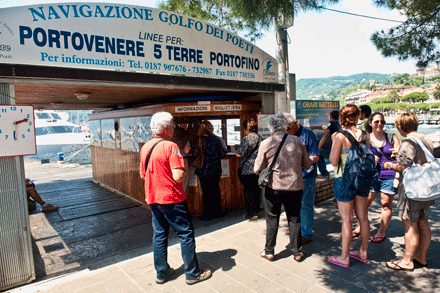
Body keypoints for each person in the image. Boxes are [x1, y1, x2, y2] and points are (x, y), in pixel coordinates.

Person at [139, 112, 211, 285]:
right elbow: (178, 176)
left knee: (159, 235)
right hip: (172, 198)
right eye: (171, 126)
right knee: (185, 234)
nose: (172, 129)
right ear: (165, 129)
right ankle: (192, 274)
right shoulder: (171, 147)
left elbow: (143, 175)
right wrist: (183, 167)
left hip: (153, 198)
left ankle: (162, 273)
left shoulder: (145, 147)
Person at [255, 113, 312, 262]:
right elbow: (307, 164)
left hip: (274, 186)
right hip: (295, 186)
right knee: (294, 218)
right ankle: (297, 252)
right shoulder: (297, 141)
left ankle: (269, 251)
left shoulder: (267, 142)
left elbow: (257, 168)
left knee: (272, 218)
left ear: (271, 127)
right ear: (285, 125)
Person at [385, 112, 434, 271]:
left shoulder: (408, 142)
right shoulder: (425, 139)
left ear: (400, 126)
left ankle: (407, 260)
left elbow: (403, 167)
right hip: (427, 189)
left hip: (413, 190)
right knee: (423, 222)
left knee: (410, 226)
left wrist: (389, 165)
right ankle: (422, 256)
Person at [328, 104, 370, 268]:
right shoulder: (365, 134)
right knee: (363, 218)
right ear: (358, 116)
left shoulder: (340, 136)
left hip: (344, 180)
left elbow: (333, 161)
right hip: (362, 179)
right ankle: (363, 253)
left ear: (342, 118)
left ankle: (344, 257)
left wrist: (333, 143)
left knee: (347, 221)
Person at [352, 112, 400, 242]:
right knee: (365, 203)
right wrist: (370, 157)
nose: (380, 124)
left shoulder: (391, 137)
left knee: (385, 204)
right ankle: (360, 226)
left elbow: (401, 158)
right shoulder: (366, 138)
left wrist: (397, 176)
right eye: (377, 122)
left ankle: (381, 231)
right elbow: (358, 155)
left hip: (389, 174)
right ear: (370, 123)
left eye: (382, 122)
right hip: (371, 175)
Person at [285, 115, 320, 245]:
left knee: (306, 204)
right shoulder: (287, 135)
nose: (287, 131)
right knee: (293, 204)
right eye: (285, 129)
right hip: (290, 176)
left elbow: (315, 156)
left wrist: (302, 164)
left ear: (295, 122)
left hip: (306, 175)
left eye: (288, 127)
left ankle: (306, 233)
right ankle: (295, 228)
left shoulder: (307, 133)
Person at [194, 120, 226, 221]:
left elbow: (195, 154)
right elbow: (222, 154)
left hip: (204, 170)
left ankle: (207, 214)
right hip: (216, 169)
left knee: (206, 192)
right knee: (216, 190)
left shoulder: (198, 140)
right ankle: (218, 212)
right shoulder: (217, 139)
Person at [231, 118, 262, 220]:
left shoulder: (246, 139)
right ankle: (256, 211)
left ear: (246, 129)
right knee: (256, 191)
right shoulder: (259, 138)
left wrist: (233, 150)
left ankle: (251, 213)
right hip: (257, 169)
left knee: (249, 193)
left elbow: (239, 154)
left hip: (247, 170)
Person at [170, 117, 192, 195]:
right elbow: (187, 150)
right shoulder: (185, 134)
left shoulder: (169, 135)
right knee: (183, 186)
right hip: (182, 161)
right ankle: (181, 203)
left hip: (170, 161)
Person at [316, 110, 340, 178]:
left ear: (330, 116)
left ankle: (325, 173)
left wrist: (319, 147)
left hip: (333, 148)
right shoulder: (338, 124)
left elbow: (325, 136)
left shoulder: (331, 123)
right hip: (338, 146)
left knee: (319, 155)